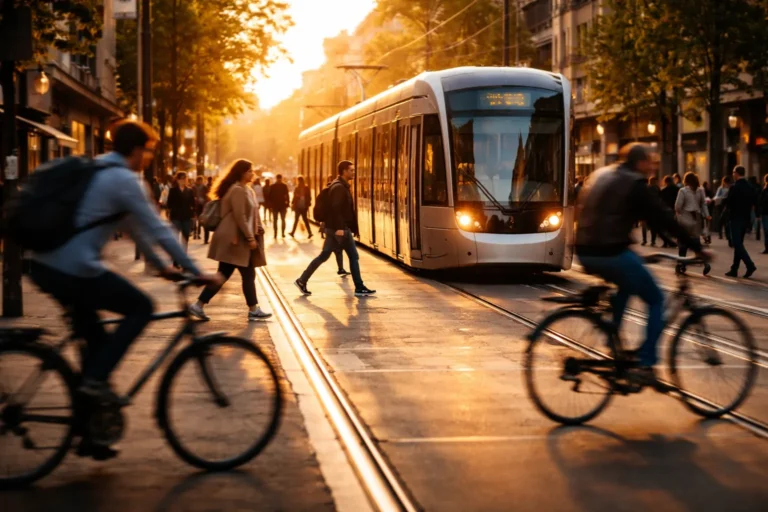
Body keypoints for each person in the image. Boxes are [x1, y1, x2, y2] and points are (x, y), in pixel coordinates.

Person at [30, 119, 221, 407]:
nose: (150, 158)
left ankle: (91, 416)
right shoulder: (125, 180)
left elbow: (134, 228)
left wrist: (162, 266)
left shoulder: (99, 167)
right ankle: (93, 384)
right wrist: (197, 272)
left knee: (96, 340)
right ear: (135, 150)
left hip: (49, 264)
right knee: (141, 307)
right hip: (72, 269)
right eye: (148, 151)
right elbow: (157, 229)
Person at [575, 143, 708, 387]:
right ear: (640, 162)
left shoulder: (605, 174)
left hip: (586, 250)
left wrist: (663, 241)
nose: (653, 166)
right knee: (656, 298)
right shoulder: (634, 183)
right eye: (650, 161)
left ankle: (612, 337)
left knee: (628, 279)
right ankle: (647, 363)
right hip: (609, 251)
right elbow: (661, 216)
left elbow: (651, 218)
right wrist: (697, 247)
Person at [189, 159, 272, 321]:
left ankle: (198, 305)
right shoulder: (238, 190)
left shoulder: (247, 190)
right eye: (249, 171)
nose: (252, 173)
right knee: (247, 273)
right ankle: (253, 309)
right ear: (242, 173)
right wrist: (250, 237)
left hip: (237, 239)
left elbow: (250, 214)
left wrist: (258, 227)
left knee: (225, 273)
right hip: (235, 239)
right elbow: (239, 216)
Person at [295, 160, 375, 296]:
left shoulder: (340, 186)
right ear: (344, 171)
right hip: (340, 229)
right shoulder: (339, 188)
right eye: (351, 170)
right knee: (353, 256)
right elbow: (336, 209)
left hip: (334, 228)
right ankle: (359, 287)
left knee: (324, 256)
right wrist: (340, 228)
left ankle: (302, 280)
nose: (353, 173)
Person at [674, 172, 711, 275]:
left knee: (683, 244)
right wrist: (707, 215)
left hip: (685, 219)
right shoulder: (700, 190)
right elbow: (703, 204)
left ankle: (682, 264)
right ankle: (705, 263)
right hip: (697, 220)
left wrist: (680, 215)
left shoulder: (683, 191)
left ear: (686, 180)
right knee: (696, 243)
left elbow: (677, 206)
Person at [725, 165, 757, 278]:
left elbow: (729, 203)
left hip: (735, 218)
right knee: (739, 243)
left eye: (733, 172)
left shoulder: (734, 187)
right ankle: (734, 269)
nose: (733, 175)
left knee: (737, 243)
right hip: (746, 218)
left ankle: (750, 265)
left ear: (737, 173)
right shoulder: (750, 187)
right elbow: (754, 202)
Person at [166, 171, 196, 263]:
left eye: (185, 178)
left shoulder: (190, 190)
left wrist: (193, 215)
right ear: (178, 180)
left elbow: (193, 204)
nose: (184, 181)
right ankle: (175, 259)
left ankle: (183, 258)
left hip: (186, 217)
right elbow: (169, 204)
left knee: (185, 238)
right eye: (182, 179)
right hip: (176, 217)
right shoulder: (173, 190)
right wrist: (169, 213)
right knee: (175, 238)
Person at [659, 176, 679, 248]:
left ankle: (666, 242)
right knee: (675, 225)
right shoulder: (677, 189)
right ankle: (676, 240)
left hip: (666, 209)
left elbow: (660, 201)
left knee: (665, 227)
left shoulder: (663, 190)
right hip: (674, 209)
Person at [641, 176, 660, 246]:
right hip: (653, 210)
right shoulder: (657, 188)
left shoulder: (646, 188)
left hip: (645, 209)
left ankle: (644, 240)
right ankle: (653, 241)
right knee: (653, 227)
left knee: (644, 226)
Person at [269, 174, 290, 238]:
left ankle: (276, 234)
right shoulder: (284, 186)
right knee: (282, 219)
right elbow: (287, 195)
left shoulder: (272, 186)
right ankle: (282, 233)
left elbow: (270, 196)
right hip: (282, 205)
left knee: (275, 220)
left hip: (275, 206)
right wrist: (287, 204)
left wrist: (270, 206)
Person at [714, 175, 732, 244]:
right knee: (721, 220)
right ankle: (720, 234)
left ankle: (727, 235)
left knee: (726, 220)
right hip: (721, 204)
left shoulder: (731, 188)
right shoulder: (720, 188)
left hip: (727, 205)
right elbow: (717, 196)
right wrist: (723, 197)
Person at [760, 174, 768, 254]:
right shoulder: (764, 190)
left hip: (765, 213)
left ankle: (767, 247)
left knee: (766, 231)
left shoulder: (764, 190)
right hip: (765, 212)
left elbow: (761, 202)